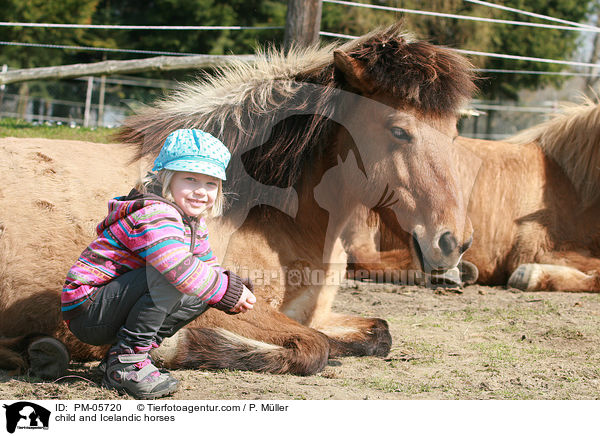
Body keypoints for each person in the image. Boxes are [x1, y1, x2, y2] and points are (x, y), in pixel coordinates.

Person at [61, 129, 256, 399]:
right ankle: (128, 363)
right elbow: (176, 267)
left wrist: (232, 288)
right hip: (89, 308)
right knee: (173, 275)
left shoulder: (192, 222)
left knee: (201, 291)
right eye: (190, 179)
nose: (201, 191)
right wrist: (225, 290)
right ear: (166, 178)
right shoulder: (156, 213)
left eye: (211, 183)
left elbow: (206, 266)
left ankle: (126, 357)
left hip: (114, 305)